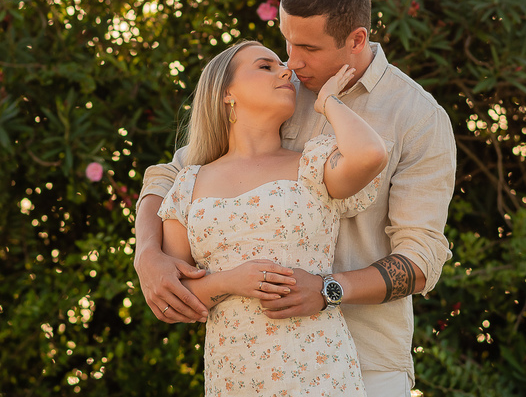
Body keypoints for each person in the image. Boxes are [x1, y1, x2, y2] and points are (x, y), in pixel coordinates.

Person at [135, 0, 457, 396]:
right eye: (286, 42)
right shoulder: (281, 89)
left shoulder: (417, 118)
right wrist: (147, 252)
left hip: (367, 362)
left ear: (356, 39)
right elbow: (172, 175)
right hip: (250, 361)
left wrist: (327, 289)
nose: (291, 61)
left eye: (307, 48)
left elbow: (420, 260)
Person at [157, 40, 388, 395]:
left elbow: (371, 154)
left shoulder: (311, 164)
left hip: (320, 371)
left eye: (282, 66)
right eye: (265, 66)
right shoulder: (187, 185)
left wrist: (328, 102)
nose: (286, 71)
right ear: (226, 93)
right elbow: (175, 296)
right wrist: (230, 281)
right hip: (234, 376)